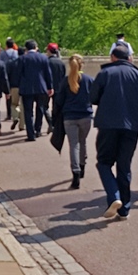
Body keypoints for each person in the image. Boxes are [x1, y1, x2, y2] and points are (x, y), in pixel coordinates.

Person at [90, 45, 138, 219]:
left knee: (103, 162)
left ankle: (114, 196)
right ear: (129, 58)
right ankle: (125, 208)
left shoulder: (105, 73)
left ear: (112, 57)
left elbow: (93, 97)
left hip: (108, 124)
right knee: (124, 166)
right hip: (132, 126)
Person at [53, 54, 94, 189]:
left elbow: (58, 101)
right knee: (82, 142)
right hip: (85, 116)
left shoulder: (66, 81)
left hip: (69, 116)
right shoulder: (89, 80)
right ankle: (82, 166)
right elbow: (95, 97)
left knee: (73, 145)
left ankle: (75, 172)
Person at [18, 40, 53, 141]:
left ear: (26, 48)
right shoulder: (43, 58)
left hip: (26, 88)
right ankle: (38, 130)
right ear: (36, 47)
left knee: (28, 112)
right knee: (40, 109)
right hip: (41, 87)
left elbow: (18, 73)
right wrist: (50, 87)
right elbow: (48, 74)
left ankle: (30, 134)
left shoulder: (22, 58)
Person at [46, 43, 67, 129]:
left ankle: (50, 122)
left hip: (47, 87)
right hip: (59, 88)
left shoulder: (47, 61)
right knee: (56, 107)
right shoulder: (61, 62)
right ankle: (55, 123)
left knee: (44, 107)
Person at [6, 46, 24, 131]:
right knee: (23, 106)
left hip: (14, 86)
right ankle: (22, 125)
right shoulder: (26, 62)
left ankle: (15, 117)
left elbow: (7, 76)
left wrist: (7, 88)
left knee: (14, 104)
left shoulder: (11, 63)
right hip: (24, 86)